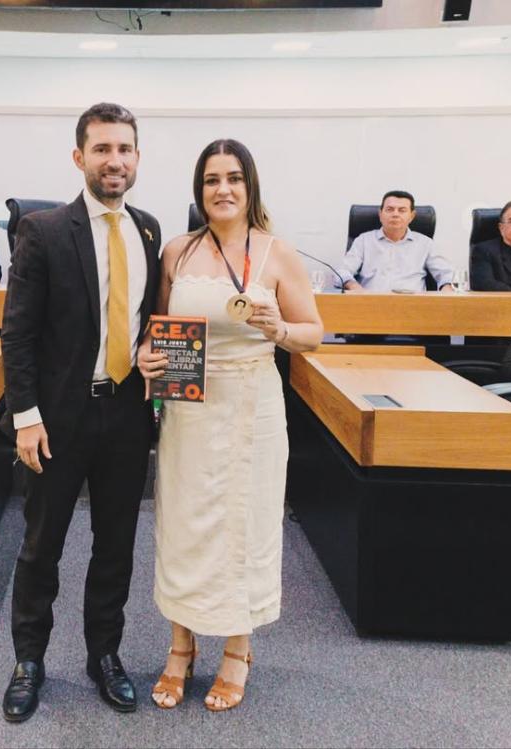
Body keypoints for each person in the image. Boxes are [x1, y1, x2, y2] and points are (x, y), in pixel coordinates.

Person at [138, 139, 323, 712]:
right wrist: (146, 353)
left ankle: (238, 650)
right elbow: (157, 327)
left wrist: (280, 330)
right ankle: (180, 646)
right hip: (189, 406)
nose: (223, 189)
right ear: (199, 191)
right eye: (212, 179)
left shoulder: (277, 253)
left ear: (250, 187)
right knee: (186, 522)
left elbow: (314, 331)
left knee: (245, 525)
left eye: (234, 179)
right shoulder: (176, 251)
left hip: (253, 404)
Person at [0, 103, 161, 723]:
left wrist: (149, 345)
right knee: (42, 545)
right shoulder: (42, 231)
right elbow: (17, 336)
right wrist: (26, 417)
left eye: (124, 149)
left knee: (116, 544)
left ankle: (105, 657)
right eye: (101, 149)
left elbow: (146, 317)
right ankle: (29, 661)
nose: (114, 160)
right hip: (58, 420)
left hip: (125, 416)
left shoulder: (148, 228)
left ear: (138, 158)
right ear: (79, 158)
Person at [336, 190, 455, 292]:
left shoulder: (426, 244)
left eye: (402, 210)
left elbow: (446, 273)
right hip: (370, 305)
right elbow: (341, 271)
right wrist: (355, 287)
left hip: (413, 307)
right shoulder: (363, 241)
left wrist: (447, 287)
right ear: (380, 214)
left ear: (412, 216)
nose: (395, 214)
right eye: (390, 209)